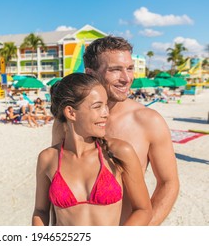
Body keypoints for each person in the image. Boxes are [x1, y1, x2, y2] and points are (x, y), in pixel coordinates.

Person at [52, 36, 179, 225]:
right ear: (90, 73)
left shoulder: (148, 121)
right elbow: (56, 179)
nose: (127, 78)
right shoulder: (67, 122)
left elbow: (169, 183)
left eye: (129, 68)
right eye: (115, 70)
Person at [32, 73, 152, 226]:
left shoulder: (119, 152)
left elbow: (143, 210)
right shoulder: (48, 158)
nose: (106, 113)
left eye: (106, 105)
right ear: (71, 113)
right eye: (97, 107)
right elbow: (41, 211)